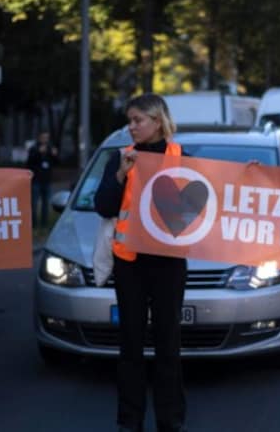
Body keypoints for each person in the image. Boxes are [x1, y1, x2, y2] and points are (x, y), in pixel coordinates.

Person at [94, 93, 187, 432]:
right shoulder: (120, 158)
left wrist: (247, 176)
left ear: (157, 121)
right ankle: (129, 421)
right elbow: (103, 206)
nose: (131, 127)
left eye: (138, 120)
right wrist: (119, 175)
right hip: (129, 264)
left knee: (168, 345)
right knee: (130, 346)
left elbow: (216, 197)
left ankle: (171, 421)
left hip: (168, 265)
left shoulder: (182, 159)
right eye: (129, 120)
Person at [26, 131, 58, 229]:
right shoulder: (34, 148)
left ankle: (44, 224)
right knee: (34, 204)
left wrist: (54, 155)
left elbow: (56, 162)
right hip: (36, 180)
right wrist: (38, 153)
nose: (45, 140)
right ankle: (34, 224)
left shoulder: (50, 148)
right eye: (43, 137)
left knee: (45, 203)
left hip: (46, 180)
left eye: (47, 138)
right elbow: (29, 163)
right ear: (39, 138)